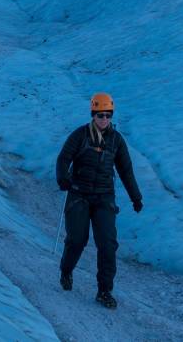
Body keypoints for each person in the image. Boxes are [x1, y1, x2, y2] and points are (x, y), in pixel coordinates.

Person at [55, 93, 143, 310]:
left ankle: (104, 291)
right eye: (99, 115)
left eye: (107, 115)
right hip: (79, 195)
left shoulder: (117, 140)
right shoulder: (80, 135)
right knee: (77, 239)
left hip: (104, 197)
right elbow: (63, 158)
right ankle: (66, 270)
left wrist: (136, 197)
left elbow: (126, 170)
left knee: (107, 244)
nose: (104, 119)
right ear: (93, 115)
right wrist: (63, 178)